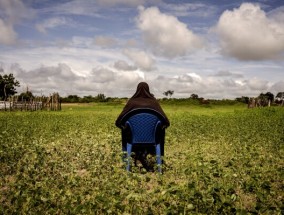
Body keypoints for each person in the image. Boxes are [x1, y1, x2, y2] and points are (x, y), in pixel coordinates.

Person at [115, 82, 170, 170]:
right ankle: (157, 160)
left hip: (133, 139)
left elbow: (118, 122)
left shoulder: (132, 102)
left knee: (125, 130)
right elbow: (166, 122)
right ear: (148, 90)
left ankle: (129, 159)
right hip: (153, 139)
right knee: (161, 130)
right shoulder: (154, 102)